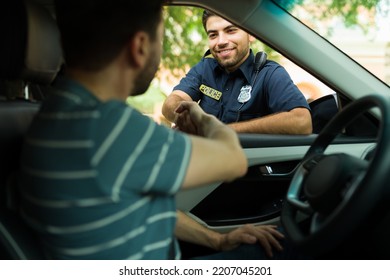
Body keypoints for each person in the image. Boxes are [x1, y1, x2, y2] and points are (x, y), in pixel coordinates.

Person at [18, 0, 290, 260]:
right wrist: (203, 118)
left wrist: (217, 240)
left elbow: (137, 208)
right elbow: (233, 159)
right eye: (160, 40)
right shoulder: (113, 128)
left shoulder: (57, 113)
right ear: (139, 47)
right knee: (289, 250)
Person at [162, 10, 312, 135]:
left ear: (251, 34)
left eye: (231, 30)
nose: (221, 41)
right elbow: (171, 102)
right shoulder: (204, 68)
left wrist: (220, 131)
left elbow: (302, 121)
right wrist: (187, 119)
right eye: (213, 35)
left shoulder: (270, 74)